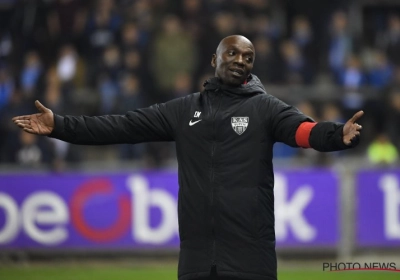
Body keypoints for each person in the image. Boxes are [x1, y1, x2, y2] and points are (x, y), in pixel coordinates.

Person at [13, 35, 363, 280]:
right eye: (233, 54)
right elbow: (120, 126)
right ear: (214, 60)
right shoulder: (184, 111)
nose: (240, 60)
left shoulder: (265, 108)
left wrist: (336, 135)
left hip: (251, 257)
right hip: (196, 259)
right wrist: (60, 125)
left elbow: (302, 130)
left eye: (248, 57)